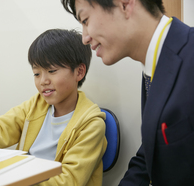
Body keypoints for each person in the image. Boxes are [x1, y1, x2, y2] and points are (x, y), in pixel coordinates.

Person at [0, 28, 107, 186]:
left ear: (79, 72)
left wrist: (8, 165)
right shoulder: (36, 105)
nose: (43, 81)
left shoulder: (91, 125)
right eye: (37, 73)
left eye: (52, 71)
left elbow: (68, 182)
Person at [61, 0, 194, 185]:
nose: (85, 37)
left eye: (85, 20)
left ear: (124, 4)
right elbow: (151, 152)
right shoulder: (154, 65)